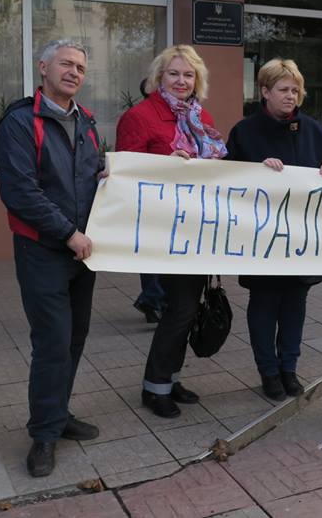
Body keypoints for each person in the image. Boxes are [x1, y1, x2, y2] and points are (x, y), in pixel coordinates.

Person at [0, 39, 103, 477]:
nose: (74, 72)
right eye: (65, 64)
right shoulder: (20, 122)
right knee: (52, 343)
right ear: (43, 68)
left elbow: (92, 177)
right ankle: (42, 435)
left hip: (82, 252)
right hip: (43, 250)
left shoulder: (89, 122)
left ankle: (58, 416)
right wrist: (68, 234)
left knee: (74, 339)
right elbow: (20, 192)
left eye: (80, 66)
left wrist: (111, 175)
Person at [116, 45, 228, 418]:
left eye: (189, 75)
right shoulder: (140, 116)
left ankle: (170, 379)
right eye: (174, 74)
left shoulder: (201, 115)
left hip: (198, 228)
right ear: (158, 76)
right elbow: (125, 174)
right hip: (163, 229)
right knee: (178, 309)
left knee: (186, 308)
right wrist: (166, 164)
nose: (182, 81)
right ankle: (155, 387)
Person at [226, 58, 322, 401]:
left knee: (295, 305)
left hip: (302, 239)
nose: (290, 96)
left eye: (295, 90)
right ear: (265, 92)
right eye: (283, 89)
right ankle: (268, 371)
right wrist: (256, 171)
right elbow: (228, 178)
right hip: (261, 239)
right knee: (264, 306)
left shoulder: (315, 130)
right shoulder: (245, 131)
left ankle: (289, 367)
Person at [129, 77, 167, 324]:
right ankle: (152, 299)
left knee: (157, 256)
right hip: (150, 202)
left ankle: (152, 299)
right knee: (152, 255)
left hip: (166, 205)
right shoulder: (140, 118)